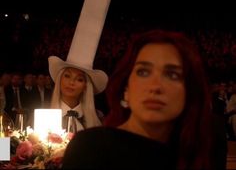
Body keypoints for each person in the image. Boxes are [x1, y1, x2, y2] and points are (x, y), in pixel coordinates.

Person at [62, 29, 227, 169]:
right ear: (126, 89)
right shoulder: (89, 147)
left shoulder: (205, 146)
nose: (155, 86)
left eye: (172, 74)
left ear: (189, 91)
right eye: (143, 72)